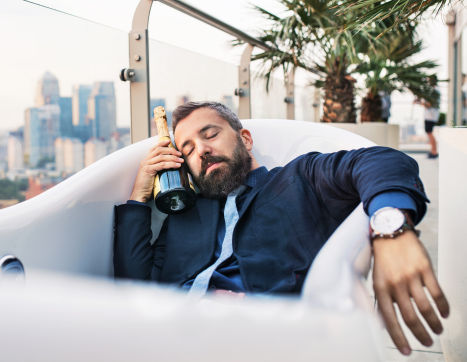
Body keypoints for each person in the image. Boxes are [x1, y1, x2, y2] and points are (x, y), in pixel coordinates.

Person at [114, 102, 449, 356]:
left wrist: (390, 230)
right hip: (165, 343)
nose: (200, 149)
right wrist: (139, 194)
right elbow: (133, 289)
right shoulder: (185, 216)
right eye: (187, 149)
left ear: (245, 139)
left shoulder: (298, 179)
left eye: (210, 134)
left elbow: (381, 161)